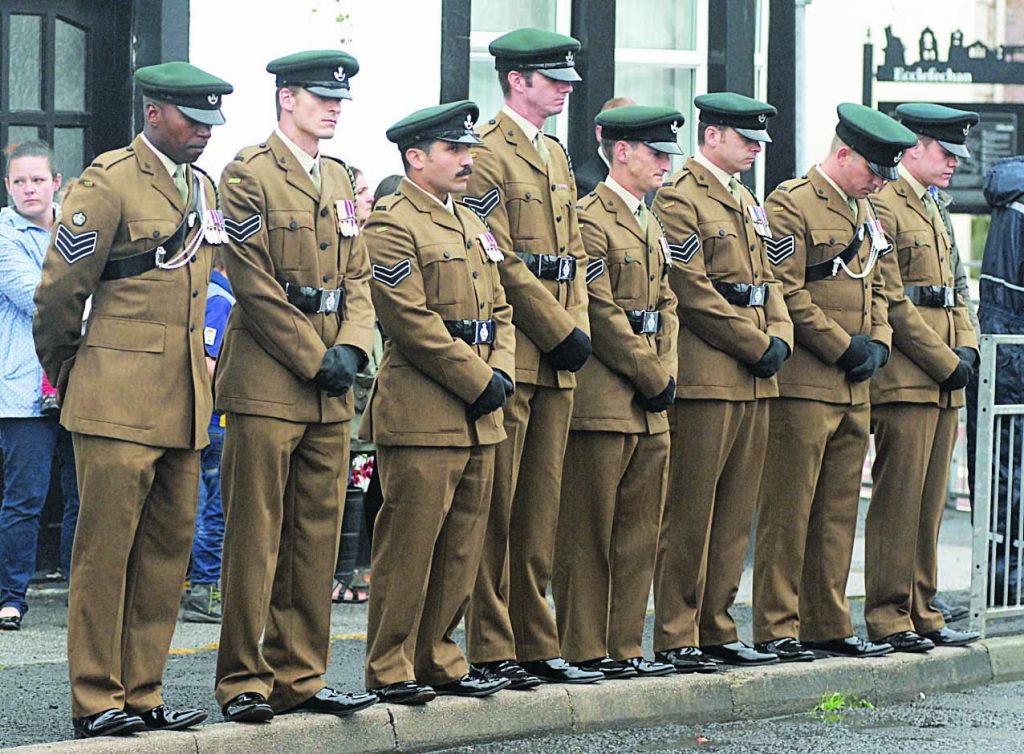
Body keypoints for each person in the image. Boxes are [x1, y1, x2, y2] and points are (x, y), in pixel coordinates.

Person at [32, 62, 232, 738]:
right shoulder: (108, 181)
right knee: (105, 554)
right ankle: (96, 698)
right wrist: (70, 370)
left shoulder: (201, 188)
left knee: (165, 554)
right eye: (191, 119)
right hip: (115, 399)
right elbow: (61, 292)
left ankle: (143, 691)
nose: (204, 132)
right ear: (154, 113)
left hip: (183, 402)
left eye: (210, 121)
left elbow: (209, 289)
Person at [213, 49, 378, 724]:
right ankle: (242, 680)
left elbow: (360, 278)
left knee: (317, 536)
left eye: (338, 98)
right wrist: (318, 356)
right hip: (268, 381)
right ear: (287, 99)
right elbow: (250, 281)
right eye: (320, 96)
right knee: (257, 539)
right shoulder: (247, 174)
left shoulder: (339, 176)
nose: (334, 105)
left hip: (330, 388)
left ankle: (300, 675)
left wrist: (352, 345)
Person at [362, 100, 516, 704]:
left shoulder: (473, 223)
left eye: (470, 150)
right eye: (454, 150)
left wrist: (499, 370)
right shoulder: (392, 221)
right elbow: (409, 319)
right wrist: (479, 380)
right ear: (416, 157)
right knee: (410, 543)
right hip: (426, 406)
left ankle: (439, 657)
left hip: (482, 408)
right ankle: (389, 664)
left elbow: (501, 307)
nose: (467, 160)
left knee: (461, 545)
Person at [459, 27, 598, 688]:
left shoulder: (554, 154)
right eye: (554, 79)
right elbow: (501, 257)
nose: (567, 89)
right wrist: (555, 328)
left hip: (561, 352)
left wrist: (580, 326)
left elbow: (573, 256)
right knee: (499, 507)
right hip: (522, 345)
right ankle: (492, 644)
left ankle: (533, 640)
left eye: (568, 79)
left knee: (540, 506)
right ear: (517, 80)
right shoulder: (487, 154)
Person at [752, 103, 912, 662]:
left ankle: (827, 620)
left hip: (854, 386)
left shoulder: (866, 210)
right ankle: (776, 625)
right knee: (789, 510)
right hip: (808, 380)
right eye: (872, 169)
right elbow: (787, 291)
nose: (878, 182)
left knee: (839, 511)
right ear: (842, 154)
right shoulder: (791, 203)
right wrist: (844, 347)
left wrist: (880, 344)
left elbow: (881, 290)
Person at [651, 93, 792, 671]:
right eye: (746, 140)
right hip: (710, 373)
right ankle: (677, 631)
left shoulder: (745, 199)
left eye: (760, 142)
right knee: (692, 509)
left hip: (755, 377)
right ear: (712, 138)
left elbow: (771, 277)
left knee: (736, 512)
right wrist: (758, 343)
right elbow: (694, 291)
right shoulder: (680, 197)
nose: (756, 150)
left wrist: (780, 331)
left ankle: (717, 625)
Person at [552, 106, 680, 679]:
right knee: (588, 532)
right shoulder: (591, 217)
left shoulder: (649, 220)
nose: (665, 164)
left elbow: (667, 306)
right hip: (606, 398)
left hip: (650, 398)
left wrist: (667, 370)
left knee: (638, 533)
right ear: (621, 152)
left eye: (668, 154)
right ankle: (583, 645)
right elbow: (599, 311)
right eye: (655, 153)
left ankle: (625, 645)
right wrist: (652, 376)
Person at [866, 103, 981, 649]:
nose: (955, 162)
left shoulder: (933, 205)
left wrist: (969, 346)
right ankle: (889, 614)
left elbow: (956, 287)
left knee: (930, 499)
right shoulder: (886, 204)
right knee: (899, 499)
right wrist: (946, 360)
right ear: (913, 146)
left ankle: (921, 607)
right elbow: (892, 301)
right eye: (945, 151)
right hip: (909, 376)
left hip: (942, 376)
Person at [0, 140, 80, 632]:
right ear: (8, 187)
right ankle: (10, 597)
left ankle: (84, 593)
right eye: (19, 181)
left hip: (80, 383)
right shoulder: (4, 236)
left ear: (56, 181)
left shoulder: (79, 228)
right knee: (24, 498)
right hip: (24, 388)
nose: (28, 188)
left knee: (84, 496)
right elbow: (38, 299)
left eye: (37, 179)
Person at [968, 155, 1024, 605]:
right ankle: (1003, 584)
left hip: (1008, 357)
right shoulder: (1018, 205)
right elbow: (1004, 306)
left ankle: (1005, 582)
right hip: (1010, 362)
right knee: (1005, 475)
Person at [180, 252, 233, 623]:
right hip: (214, 418)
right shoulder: (220, 298)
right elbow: (209, 363)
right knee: (211, 510)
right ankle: (204, 590)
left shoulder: (203, 292)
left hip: (203, 417)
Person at [333, 164, 377, 605]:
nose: (366, 199)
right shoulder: (346, 242)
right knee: (343, 488)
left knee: (359, 489)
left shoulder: (362, 243)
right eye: (360, 191)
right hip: (347, 383)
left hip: (367, 382)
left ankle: (350, 571)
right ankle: (339, 574)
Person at [573, 96, 636, 197]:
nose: (631, 141)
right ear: (600, 132)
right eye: (620, 132)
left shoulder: (643, 178)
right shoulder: (585, 182)